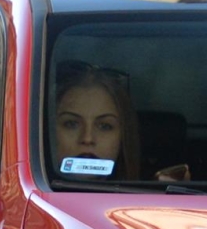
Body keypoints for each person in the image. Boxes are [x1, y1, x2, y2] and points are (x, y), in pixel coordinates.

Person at [53, 65, 189, 182]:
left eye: (105, 126)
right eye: (71, 124)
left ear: (123, 136)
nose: (87, 138)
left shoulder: (151, 198)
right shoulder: (32, 192)